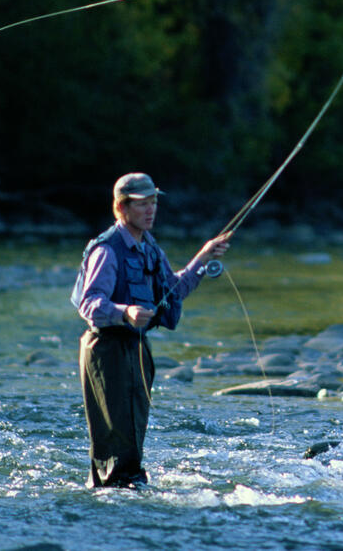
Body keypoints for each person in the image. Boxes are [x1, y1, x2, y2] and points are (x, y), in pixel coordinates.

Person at [73, 172, 231, 488]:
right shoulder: (107, 249)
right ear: (122, 208)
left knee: (131, 433)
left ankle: (121, 494)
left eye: (153, 202)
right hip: (106, 348)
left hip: (134, 347)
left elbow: (172, 290)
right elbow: (89, 303)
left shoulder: (149, 247)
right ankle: (119, 497)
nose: (150, 210)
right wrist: (126, 312)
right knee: (118, 436)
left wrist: (203, 257)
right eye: (142, 204)